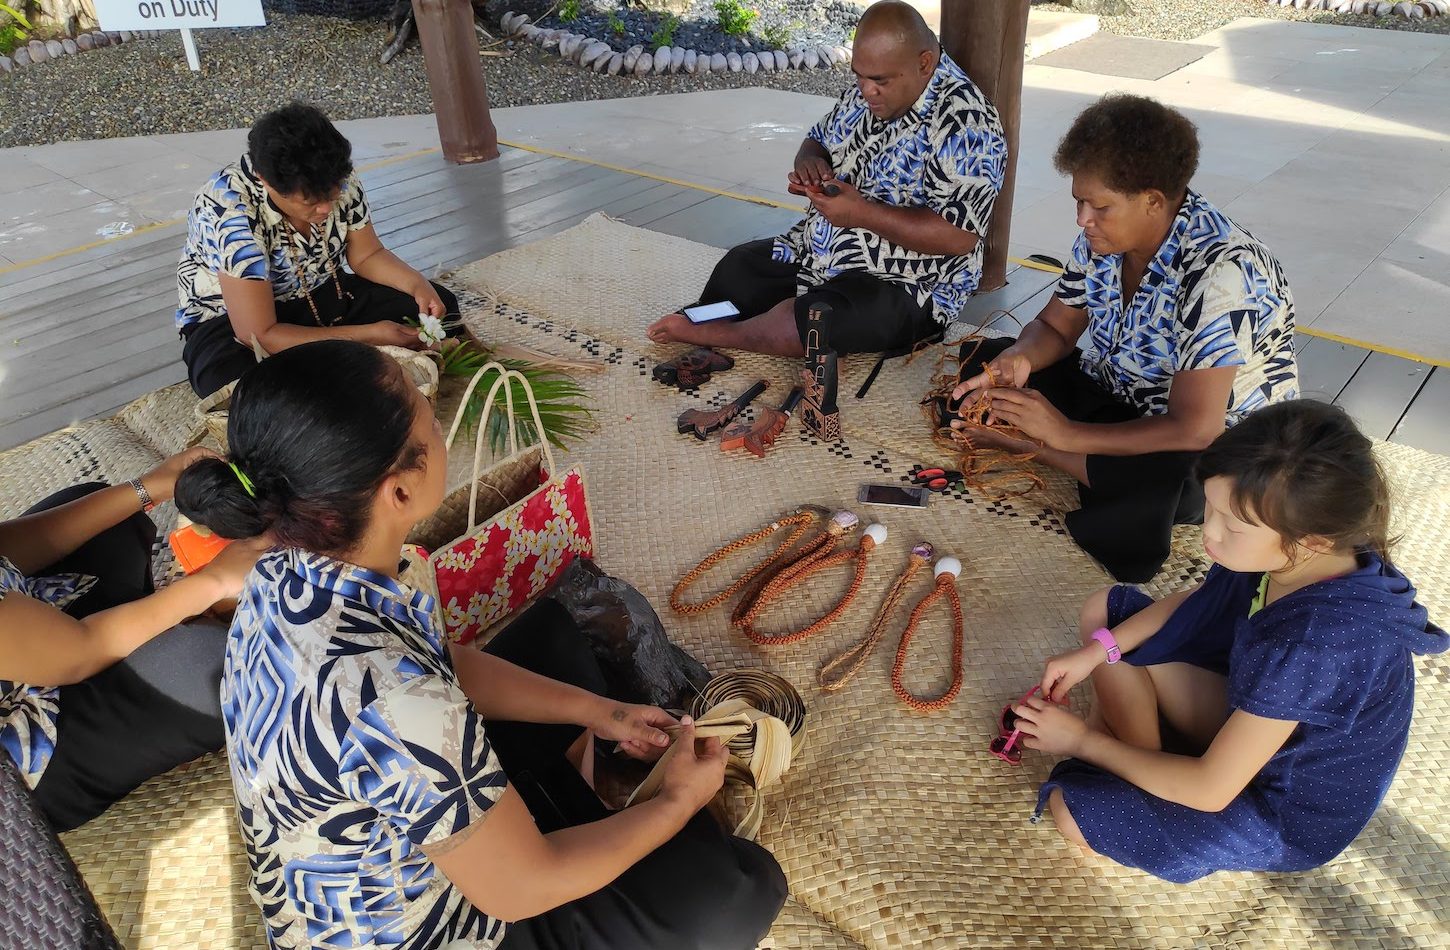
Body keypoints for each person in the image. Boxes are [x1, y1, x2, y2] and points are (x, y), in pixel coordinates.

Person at [175, 340, 786, 950]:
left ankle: (558, 805)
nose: (441, 427)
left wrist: (605, 713)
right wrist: (678, 800)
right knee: (742, 887)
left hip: (384, 809)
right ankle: (564, 814)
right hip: (432, 928)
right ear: (399, 492)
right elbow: (520, 887)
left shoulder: (280, 568)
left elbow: (437, 664)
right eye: (427, 417)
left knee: (554, 634)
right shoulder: (394, 698)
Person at [1010, 400, 1446, 884]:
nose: (1208, 535)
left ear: (1313, 539)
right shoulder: (1305, 549)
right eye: (1210, 509)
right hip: (1256, 711)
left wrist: (1083, 742)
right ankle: (1149, 767)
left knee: (1069, 808)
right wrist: (1095, 653)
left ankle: (1146, 774)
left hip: (1277, 804)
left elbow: (1213, 790)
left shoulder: (1313, 645)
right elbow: (1198, 598)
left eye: (1231, 526)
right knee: (1104, 618)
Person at [950, 94, 1299, 583]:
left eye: (1099, 206)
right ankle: (1052, 442)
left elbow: (1195, 428)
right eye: (1079, 201)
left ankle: (1037, 448)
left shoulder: (1222, 273)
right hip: (1123, 396)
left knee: (1177, 483)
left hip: (1210, 439)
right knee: (983, 360)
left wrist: (1061, 434)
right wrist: (1019, 360)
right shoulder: (1102, 239)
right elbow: (1056, 327)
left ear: (1154, 200)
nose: (1082, 219)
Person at [646, 0, 1006, 358]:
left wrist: (861, 214)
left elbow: (957, 237)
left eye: (878, 81)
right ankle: (717, 321)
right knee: (738, 269)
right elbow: (819, 138)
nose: (866, 91)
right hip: (822, 251)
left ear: (924, 63)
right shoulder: (873, 86)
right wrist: (810, 164)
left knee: (814, 322)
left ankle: (723, 335)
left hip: (908, 283)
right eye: (859, 76)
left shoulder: (967, 124)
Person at [0, 453, 265, 830]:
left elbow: (14, 547)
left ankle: (142, 644)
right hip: (23, 758)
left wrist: (148, 488)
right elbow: (81, 650)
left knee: (109, 516)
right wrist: (214, 581)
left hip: (28, 636)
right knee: (214, 663)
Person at [175, 102, 462, 397]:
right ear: (266, 180)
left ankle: (345, 371)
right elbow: (257, 335)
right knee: (236, 386)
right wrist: (369, 335)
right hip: (233, 322)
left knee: (440, 305)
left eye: (332, 194)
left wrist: (418, 284)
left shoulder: (335, 174)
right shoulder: (230, 209)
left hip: (322, 293)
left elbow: (367, 255)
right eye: (310, 202)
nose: (325, 208)